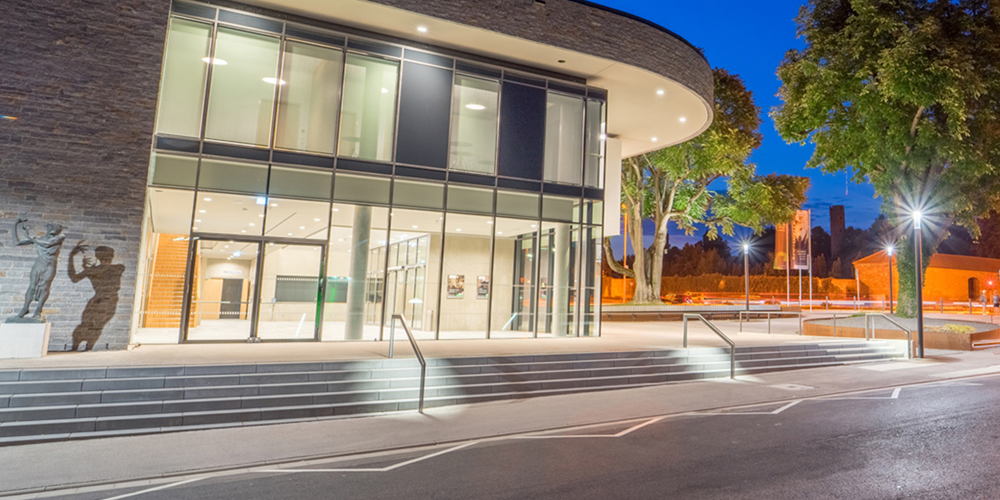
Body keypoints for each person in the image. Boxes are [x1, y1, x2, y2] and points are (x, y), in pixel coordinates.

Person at [11, 218, 66, 321]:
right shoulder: (39, 239)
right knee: (32, 286)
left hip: (49, 266)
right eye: (51, 225)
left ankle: (38, 311)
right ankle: (25, 309)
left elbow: (47, 244)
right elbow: (16, 242)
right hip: (38, 265)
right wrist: (15, 224)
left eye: (56, 226)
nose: (53, 227)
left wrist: (29, 237)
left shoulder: (60, 237)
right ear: (47, 228)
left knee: (45, 285)